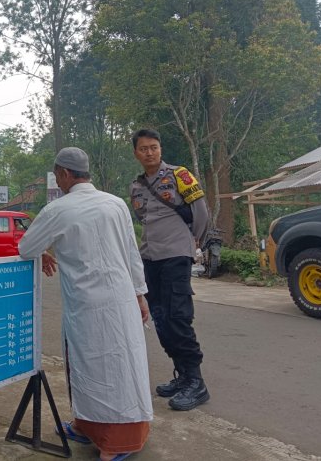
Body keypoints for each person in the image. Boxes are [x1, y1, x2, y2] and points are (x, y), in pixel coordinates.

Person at [19, 147, 152, 461]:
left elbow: (26, 247)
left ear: (64, 174)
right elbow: (132, 253)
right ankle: (86, 425)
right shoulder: (116, 204)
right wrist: (140, 294)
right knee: (117, 366)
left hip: (88, 305)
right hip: (121, 299)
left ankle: (116, 443)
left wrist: (42, 253)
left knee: (93, 368)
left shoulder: (58, 209)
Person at [130, 128, 210, 411]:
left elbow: (201, 211)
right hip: (151, 258)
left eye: (154, 147)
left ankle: (196, 382)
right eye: (144, 148)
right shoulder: (136, 186)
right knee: (161, 318)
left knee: (178, 316)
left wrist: (193, 241)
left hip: (176, 254)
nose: (149, 152)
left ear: (160, 149)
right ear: (136, 153)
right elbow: (144, 218)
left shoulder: (180, 175)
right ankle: (183, 374)